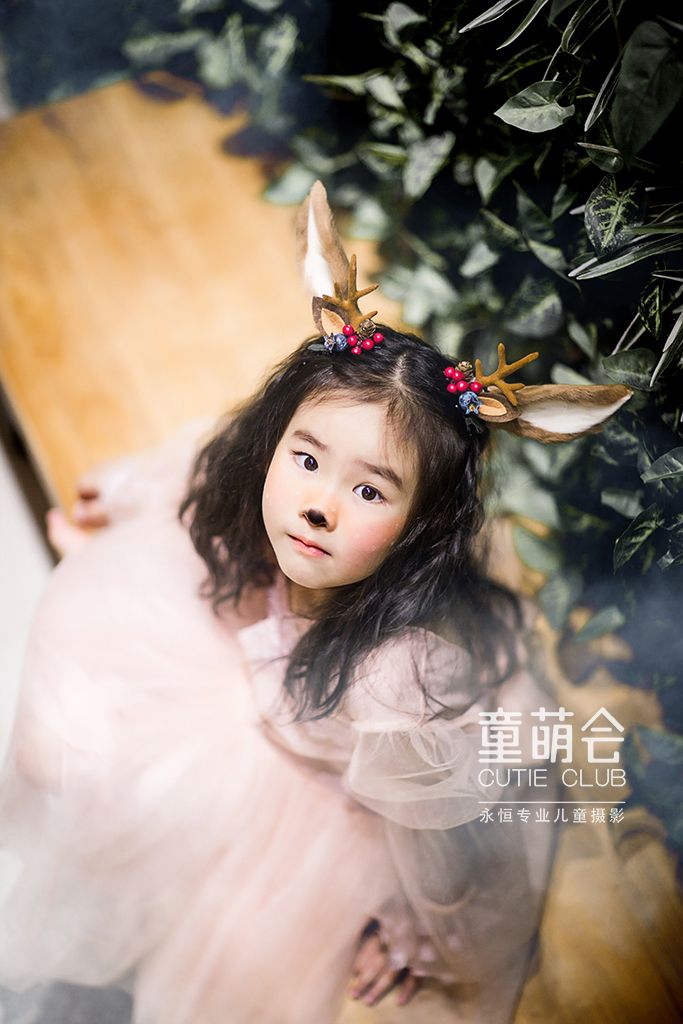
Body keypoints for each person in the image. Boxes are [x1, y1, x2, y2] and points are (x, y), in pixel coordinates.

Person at [0, 181, 632, 1024]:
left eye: (370, 491)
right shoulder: (263, 482)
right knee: (61, 760)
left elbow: (453, 840)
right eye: (305, 460)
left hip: (337, 780)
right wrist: (131, 499)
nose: (319, 505)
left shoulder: (392, 680)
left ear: (418, 526)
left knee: (208, 926)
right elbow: (210, 456)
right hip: (256, 665)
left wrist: (429, 930)